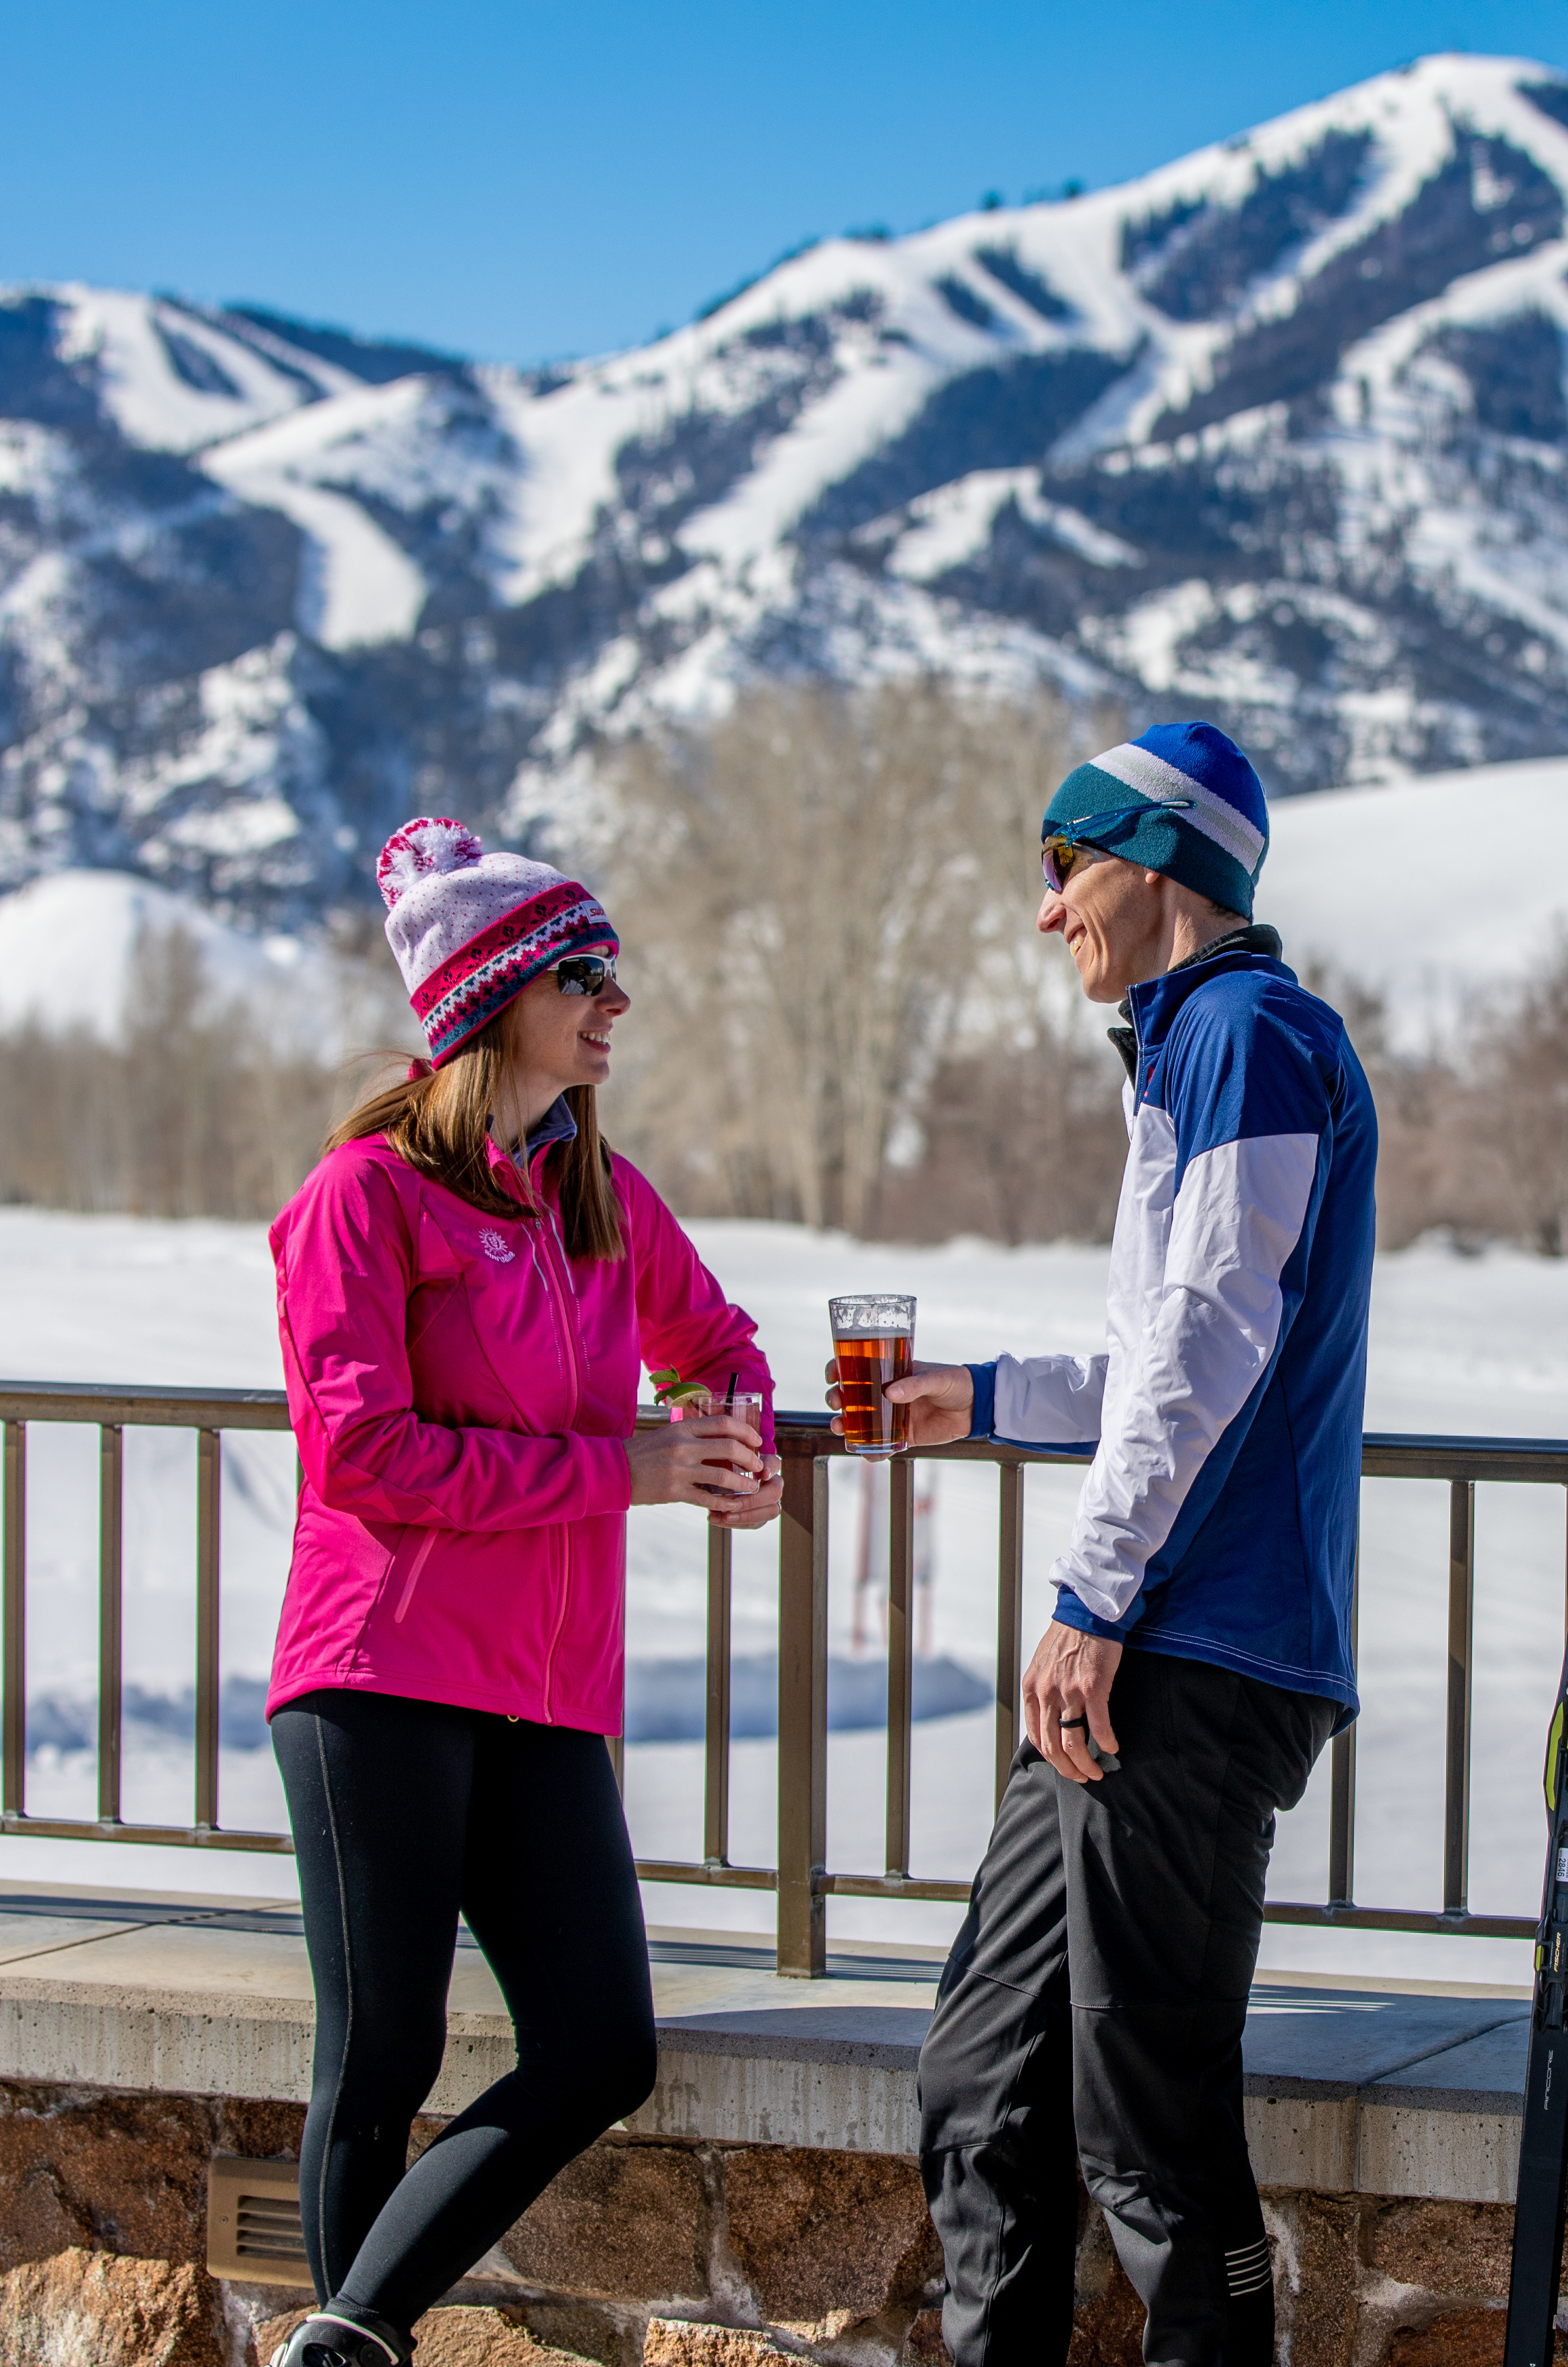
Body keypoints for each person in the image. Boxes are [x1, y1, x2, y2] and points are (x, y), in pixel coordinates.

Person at [875, 724, 1378, 2367]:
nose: (1045, 916)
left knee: (1142, 2124)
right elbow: (1169, 1343)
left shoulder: (1246, 1032)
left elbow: (1212, 1337)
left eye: (1059, 869)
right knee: (986, 2080)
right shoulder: (1192, 1046)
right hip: (1143, 1644)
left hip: (1196, 1645)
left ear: (1151, 867)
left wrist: (1093, 1594)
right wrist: (993, 1396)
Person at [262, 819, 780, 2367]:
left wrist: (736, 1438)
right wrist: (624, 1469)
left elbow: (719, 1341)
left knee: (599, 2046)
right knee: (382, 2056)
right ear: (490, 1000)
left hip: (544, 1691)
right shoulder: (361, 1200)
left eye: (616, 975)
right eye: (585, 975)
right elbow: (367, 1456)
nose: (616, 1002)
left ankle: (348, 2336)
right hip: (380, 1673)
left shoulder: (596, 1196)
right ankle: (359, 2346)